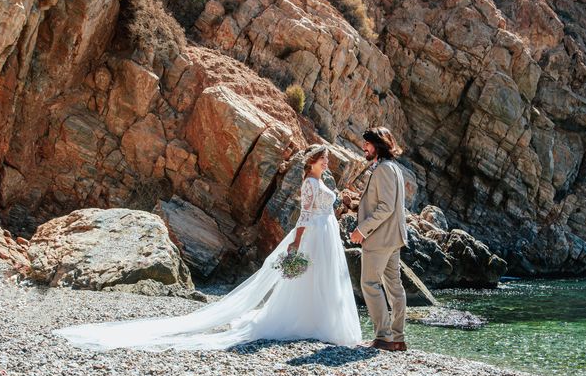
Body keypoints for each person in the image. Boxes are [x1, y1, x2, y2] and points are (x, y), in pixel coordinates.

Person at [52, 145, 362, 351]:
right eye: (322, 159)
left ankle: (318, 320)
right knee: (309, 278)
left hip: (326, 234)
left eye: (326, 160)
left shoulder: (320, 182)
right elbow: (305, 215)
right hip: (314, 234)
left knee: (322, 278)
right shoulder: (309, 183)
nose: (326, 162)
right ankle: (306, 320)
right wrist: (295, 243)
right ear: (311, 162)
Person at [350, 127, 408, 352]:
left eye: (367, 144)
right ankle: (398, 338)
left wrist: (362, 230)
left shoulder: (384, 169)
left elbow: (385, 208)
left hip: (380, 239)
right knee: (394, 287)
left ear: (379, 145)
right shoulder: (395, 168)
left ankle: (383, 337)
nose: (364, 147)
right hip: (394, 238)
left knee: (370, 284)